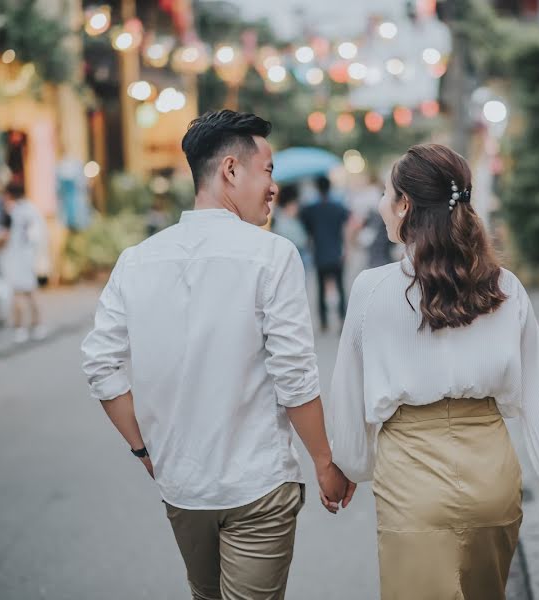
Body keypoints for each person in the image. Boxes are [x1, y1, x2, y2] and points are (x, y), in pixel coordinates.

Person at [81, 110, 353, 600]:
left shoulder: (137, 261)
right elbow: (294, 375)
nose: (274, 187)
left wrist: (146, 450)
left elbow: (101, 366)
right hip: (258, 484)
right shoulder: (272, 255)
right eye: (267, 171)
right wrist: (324, 460)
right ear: (231, 170)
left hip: (182, 488)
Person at [327, 144, 539, 600]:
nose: (379, 204)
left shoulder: (370, 291)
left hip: (411, 481)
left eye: (386, 193)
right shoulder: (503, 287)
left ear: (405, 205)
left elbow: (347, 392)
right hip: (491, 477)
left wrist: (348, 466)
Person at [300, 176, 350, 331]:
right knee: (340, 287)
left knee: (321, 288)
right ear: (330, 187)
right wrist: (346, 248)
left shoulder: (311, 209)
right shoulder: (338, 207)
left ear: (317, 188)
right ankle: (342, 319)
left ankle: (324, 322)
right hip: (336, 251)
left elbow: (304, 224)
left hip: (319, 252)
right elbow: (347, 225)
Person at [0, 182, 44, 342]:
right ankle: (37, 325)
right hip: (29, 255)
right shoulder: (32, 210)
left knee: (18, 293)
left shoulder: (14, 211)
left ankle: (20, 328)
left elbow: (6, 236)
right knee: (31, 292)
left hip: (16, 256)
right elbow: (38, 236)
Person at [270, 184, 308, 262]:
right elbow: (301, 242)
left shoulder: (285, 219)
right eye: (296, 202)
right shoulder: (283, 223)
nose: (298, 206)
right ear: (290, 203)